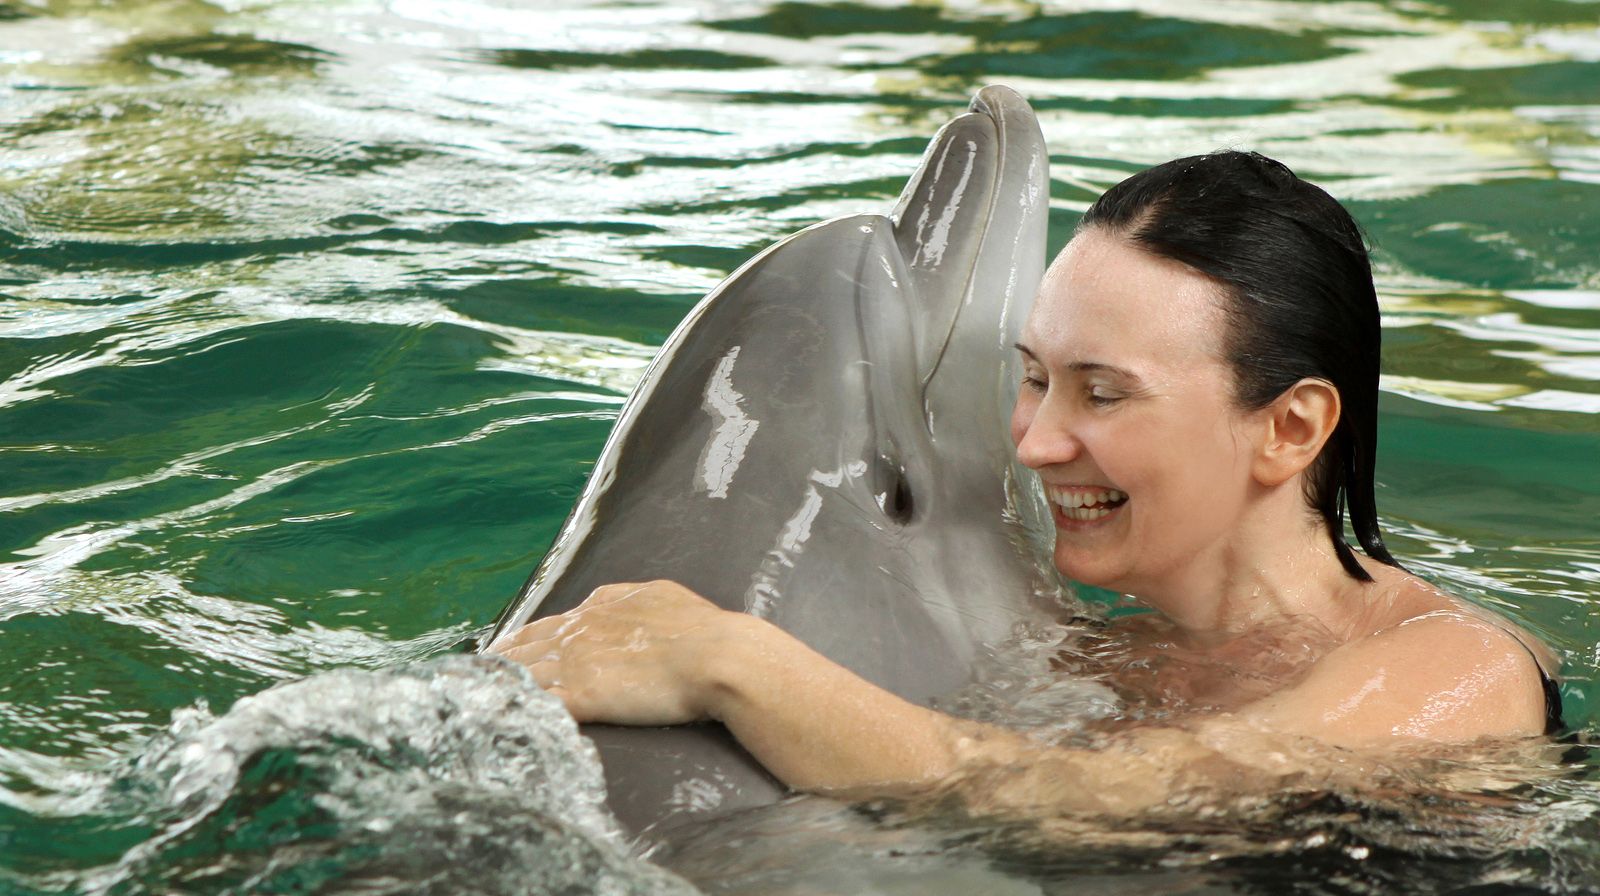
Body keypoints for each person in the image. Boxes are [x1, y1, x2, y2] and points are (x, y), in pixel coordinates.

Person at [490, 151, 1562, 815]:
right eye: (1035, 379)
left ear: (1287, 427)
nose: (1036, 441)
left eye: (1102, 393)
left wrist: (730, 661)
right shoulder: (1103, 652)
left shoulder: (1448, 670)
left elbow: (1107, 804)